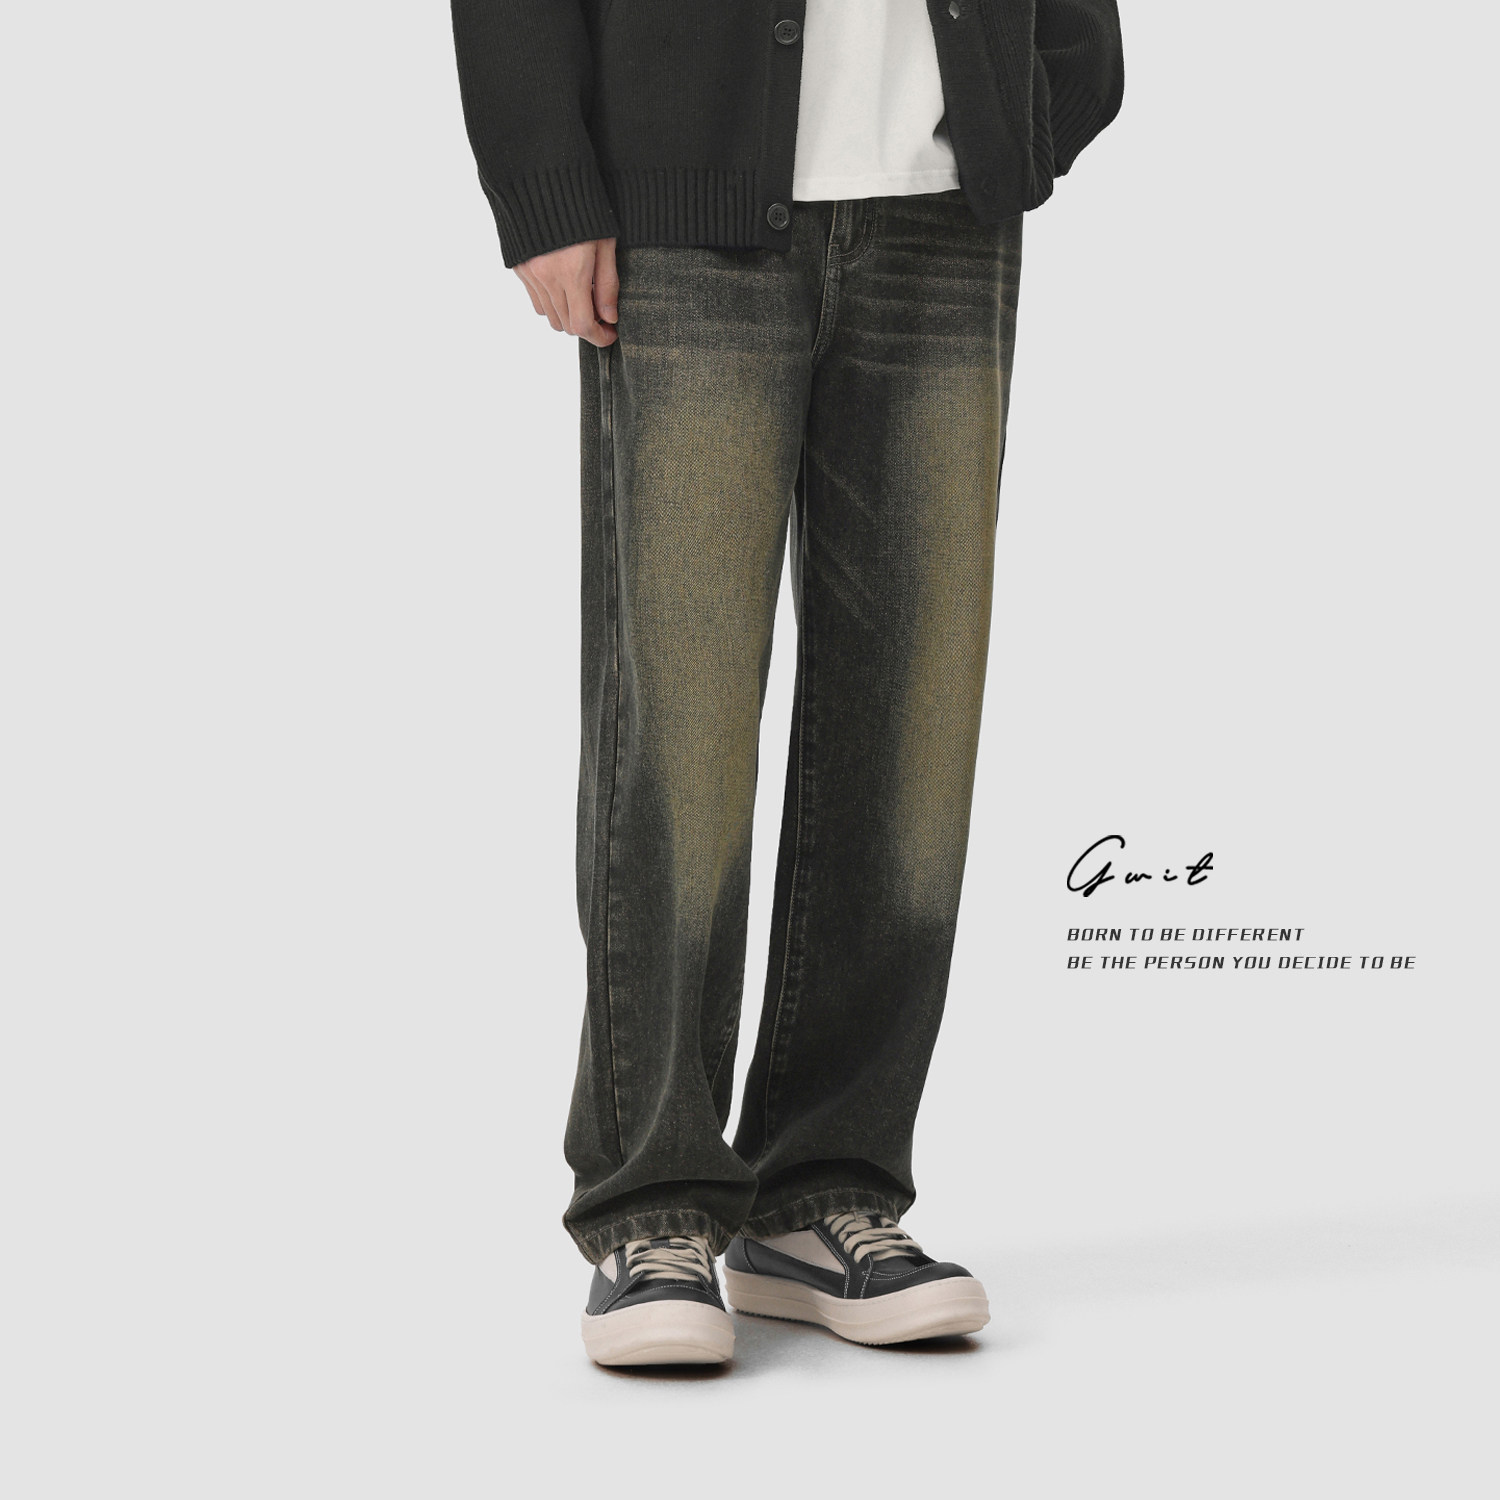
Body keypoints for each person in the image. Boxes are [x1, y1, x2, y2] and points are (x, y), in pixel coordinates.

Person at [449, 0, 1124, 1367]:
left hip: (944, 217)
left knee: (914, 732)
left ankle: (826, 1192)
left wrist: (1046, 98)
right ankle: (653, 1206)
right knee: (680, 731)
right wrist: (545, 182)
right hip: (681, 204)